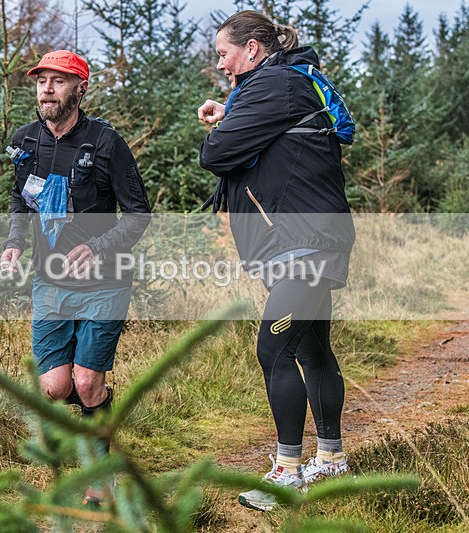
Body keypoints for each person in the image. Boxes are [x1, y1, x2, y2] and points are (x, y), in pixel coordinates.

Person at [197, 11, 356, 511]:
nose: (220, 64)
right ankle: (331, 460)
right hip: (307, 240)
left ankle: (287, 471)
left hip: (302, 245)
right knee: (311, 350)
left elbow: (216, 156)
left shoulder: (273, 87)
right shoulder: (277, 87)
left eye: (223, 53)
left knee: (273, 348)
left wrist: (226, 126)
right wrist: (231, 114)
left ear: (253, 49)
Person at [0, 50, 151, 505]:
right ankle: (94, 411)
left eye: (58, 81)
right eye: (41, 80)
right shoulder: (25, 141)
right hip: (50, 280)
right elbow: (19, 202)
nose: (46, 89)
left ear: (79, 89)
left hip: (105, 281)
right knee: (55, 386)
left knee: (86, 381)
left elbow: (139, 214)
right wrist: (13, 242)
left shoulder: (105, 143)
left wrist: (98, 246)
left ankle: (99, 475)